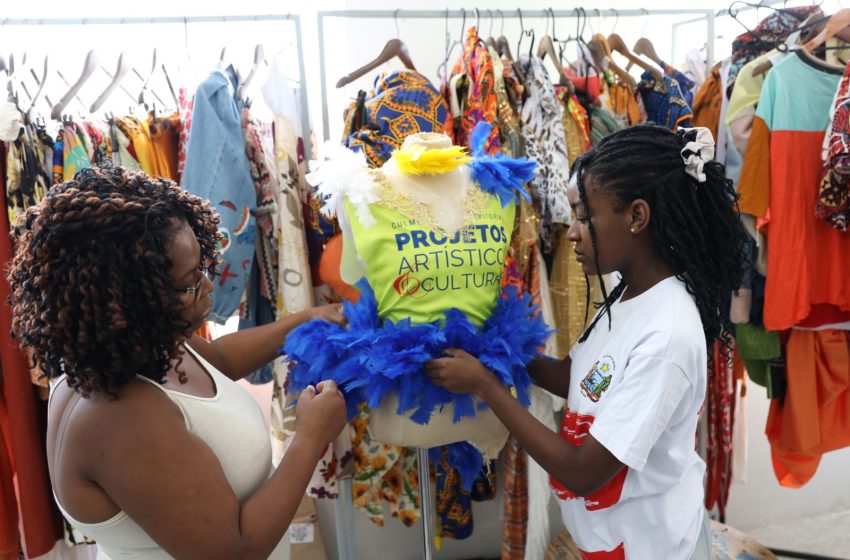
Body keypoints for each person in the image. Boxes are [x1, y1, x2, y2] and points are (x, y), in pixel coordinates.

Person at [426, 126, 748, 559]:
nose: (572, 232)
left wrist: (486, 386)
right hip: (612, 539)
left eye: (584, 216)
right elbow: (575, 377)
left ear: (636, 216)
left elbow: (583, 472)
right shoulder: (626, 293)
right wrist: (498, 352)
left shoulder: (666, 337)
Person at [8, 165, 347, 560]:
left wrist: (303, 323)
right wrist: (309, 437)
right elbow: (233, 552)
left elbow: (217, 360)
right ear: (131, 298)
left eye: (203, 266)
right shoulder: (124, 418)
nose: (207, 285)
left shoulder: (132, 350)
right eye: (190, 280)